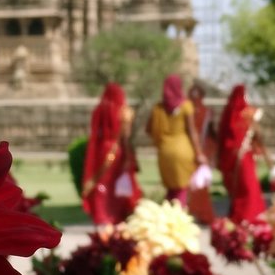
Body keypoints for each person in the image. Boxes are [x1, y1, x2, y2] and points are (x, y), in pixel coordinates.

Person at [81, 83, 142, 232]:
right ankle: (116, 218)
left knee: (101, 184)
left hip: (101, 150)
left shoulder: (98, 110)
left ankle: (102, 217)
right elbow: (125, 138)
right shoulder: (124, 112)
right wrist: (128, 157)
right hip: (117, 151)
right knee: (116, 187)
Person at [147, 74, 206, 207]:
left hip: (164, 151)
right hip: (183, 150)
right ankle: (178, 218)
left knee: (171, 189)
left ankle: (168, 217)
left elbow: (149, 129)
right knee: (182, 188)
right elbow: (192, 132)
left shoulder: (158, 108)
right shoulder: (186, 106)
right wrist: (199, 153)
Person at [217, 84, 266, 224]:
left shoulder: (243, 113)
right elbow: (230, 135)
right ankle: (246, 216)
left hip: (243, 155)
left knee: (248, 186)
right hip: (240, 156)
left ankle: (251, 214)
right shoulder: (236, 114)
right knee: (246, 186)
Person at [186, 83, 216, 224]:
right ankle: (196, 211)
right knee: (196, 184)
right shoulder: (190, 110)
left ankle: (197, 211)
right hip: (199, 150)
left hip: (194, 150)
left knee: (197, 183)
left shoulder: (188, 110)